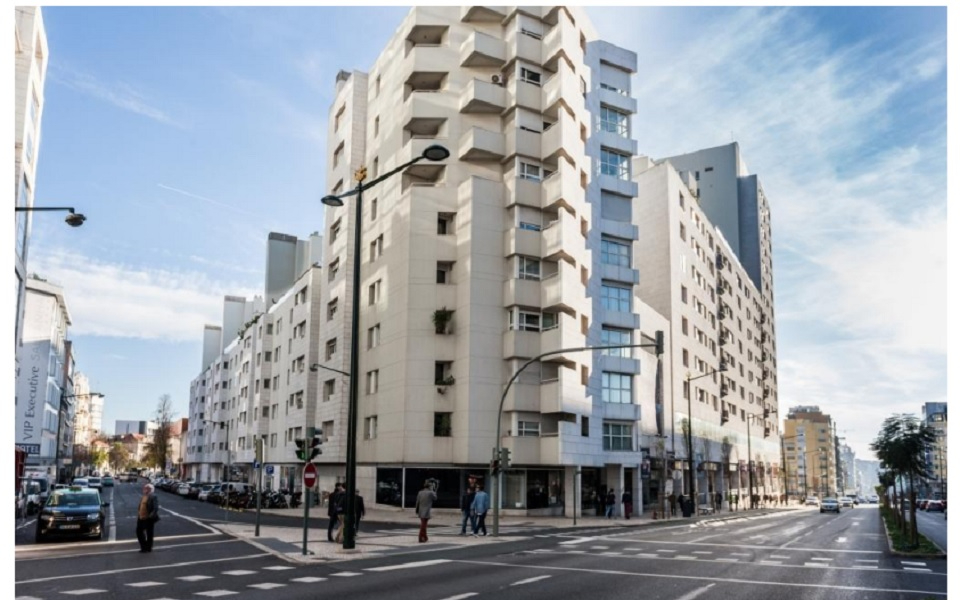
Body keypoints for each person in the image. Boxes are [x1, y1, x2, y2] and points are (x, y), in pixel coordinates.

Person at [136, 483, 160, 553]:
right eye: (144, 488)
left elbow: (155, 508)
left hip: (148, 518)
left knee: (149, 533)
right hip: (141, 517)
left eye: (145, 488)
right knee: (139, 532)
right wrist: (139, 513)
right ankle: (144, 546)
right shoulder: (144, 496)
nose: (143, 489)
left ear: (149, 489)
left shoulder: (153, 496)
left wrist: (150, 516)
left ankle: (148, 548)